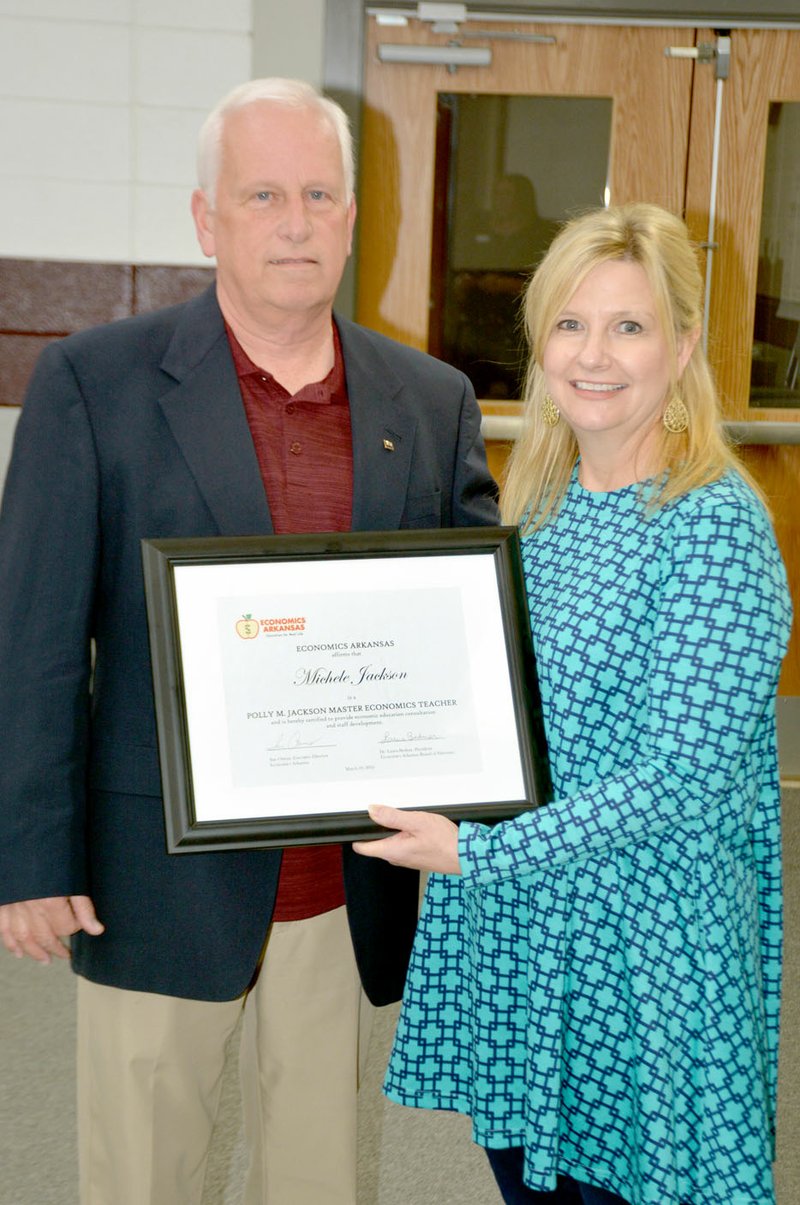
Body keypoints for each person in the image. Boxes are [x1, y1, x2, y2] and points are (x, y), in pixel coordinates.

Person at [0, 78, 499, 1205]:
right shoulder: (95, 383)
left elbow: (463, 642)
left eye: (319, 194)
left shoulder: (427, 400)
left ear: (353, 216)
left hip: (344, 877)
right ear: (203, 218)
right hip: (151, 876)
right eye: (262, 193)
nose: (293, 220)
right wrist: (30, 859)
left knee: (316, 1172)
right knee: (143, 1174)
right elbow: (29, 642)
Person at [355, 202, 792, 1204]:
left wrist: (475, 850)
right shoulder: (539, 509)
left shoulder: (711, 526)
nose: (593, 354)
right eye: (568, 323)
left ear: (682, 346)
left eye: (628, 326)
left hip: (639, 957)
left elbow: (677, 776)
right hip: (520, 937)